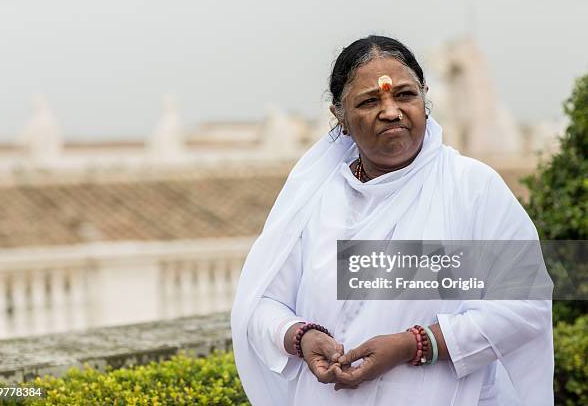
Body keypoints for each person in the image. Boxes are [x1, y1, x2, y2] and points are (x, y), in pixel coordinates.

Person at [231, 36, 553, 405]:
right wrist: (300, 336)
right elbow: (261, 303)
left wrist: (413, 344)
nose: (391, 111)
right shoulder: (315, 197)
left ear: (425, 99)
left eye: (404, 95)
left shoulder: (472, 189)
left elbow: (524, 305)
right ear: (341, 117)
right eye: (369, 101)